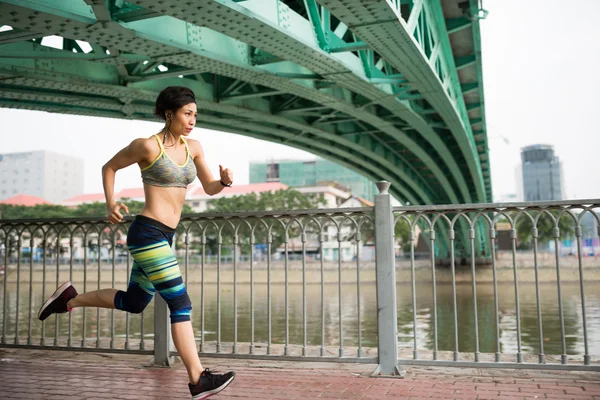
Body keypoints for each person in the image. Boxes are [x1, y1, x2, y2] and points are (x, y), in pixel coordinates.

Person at [37, 86, 236, 399]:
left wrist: (223, 181)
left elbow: (209, 186)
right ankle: (198, 379)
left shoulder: (194, 147)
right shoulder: (147, 146)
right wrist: (110, 203)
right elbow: (110, 167)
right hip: (147, 233)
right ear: (169, 114)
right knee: (180, 303)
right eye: (187, 113)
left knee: (135, 302)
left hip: (165, 236)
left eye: (195, 114)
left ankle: (68, 300)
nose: (192, 120)